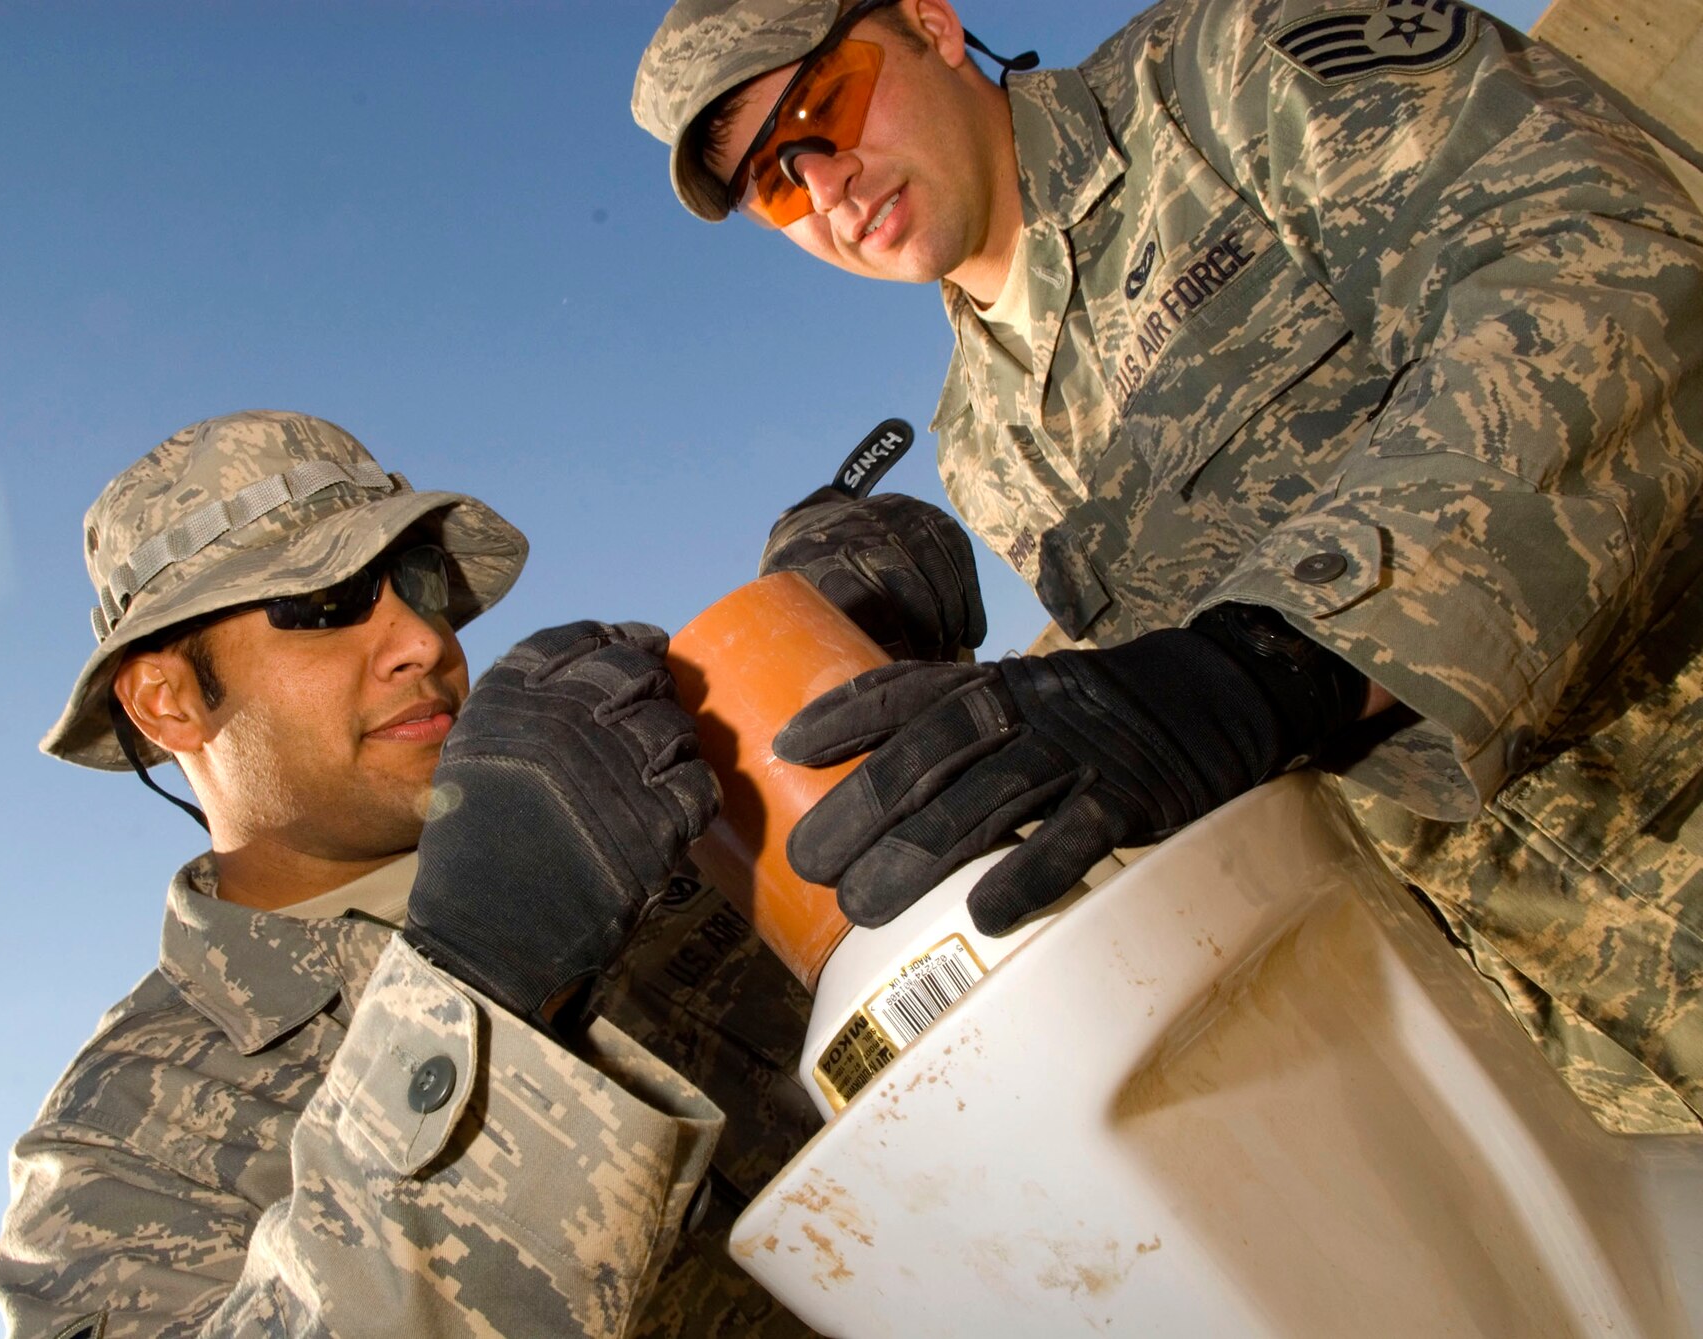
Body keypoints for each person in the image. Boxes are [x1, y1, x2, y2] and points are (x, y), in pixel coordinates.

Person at [632, 0, 1703, 1133]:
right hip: (1600, 1051)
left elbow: (1609, 267)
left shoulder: (1223, 71)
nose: (831, 186)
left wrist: (1282, 657)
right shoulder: (984, 448)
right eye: (779, 185)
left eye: (824, 104)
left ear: (930, 26)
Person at [0, 409, 824, 1337]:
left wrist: (867, 659)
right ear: (167, 700)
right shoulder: (124, 1145)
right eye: (325, 602)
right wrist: (483, 981)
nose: (424, 640)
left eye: (419, 584)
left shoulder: (658, 819)